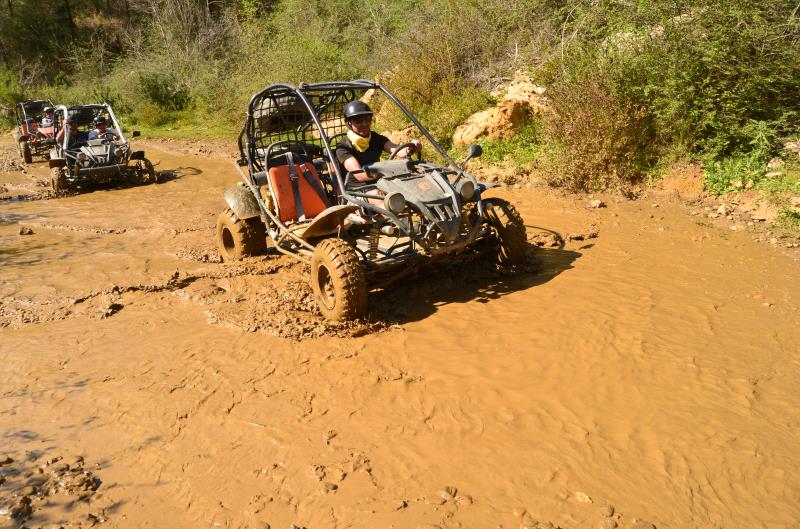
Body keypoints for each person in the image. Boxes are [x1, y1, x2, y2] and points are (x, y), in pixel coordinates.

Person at [335, 101, 422, 183]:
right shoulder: (343, 147)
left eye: (367, 119)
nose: (365, 124)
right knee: (381, 196)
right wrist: (389, 171)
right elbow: (360, 175)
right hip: (358, 189)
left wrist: (411, 148)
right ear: (349, 123)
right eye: (359, 121)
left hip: (380, 182)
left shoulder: (375, 137)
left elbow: (397, 150)